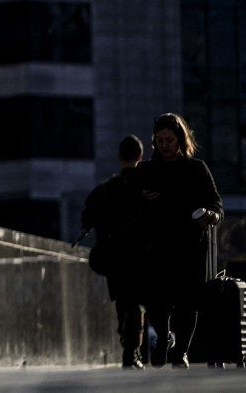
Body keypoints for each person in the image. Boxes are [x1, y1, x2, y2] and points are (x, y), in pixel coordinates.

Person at [139, 113, 222, 369]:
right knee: (156, 302)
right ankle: (164, 338)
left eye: (170, 140)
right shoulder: (146, 171)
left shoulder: (197, 169)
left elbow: (216, 204)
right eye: (160, 140)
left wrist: (210, 216)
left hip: (190, 247)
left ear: (180, 140)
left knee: (188, 303)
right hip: (156, 247)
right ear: (154, 141)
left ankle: (181, 351)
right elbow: (131, 206)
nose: (165, 145)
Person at [81, 135, 149, 369]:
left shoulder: (105, 190)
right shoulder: (148, 189)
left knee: (123, 302)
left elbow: (88, 218)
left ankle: (128, 343)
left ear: (120, 157)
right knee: (137, 303)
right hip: (140, 256)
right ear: (140, 156)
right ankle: (132, 350)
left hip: (114, 257)